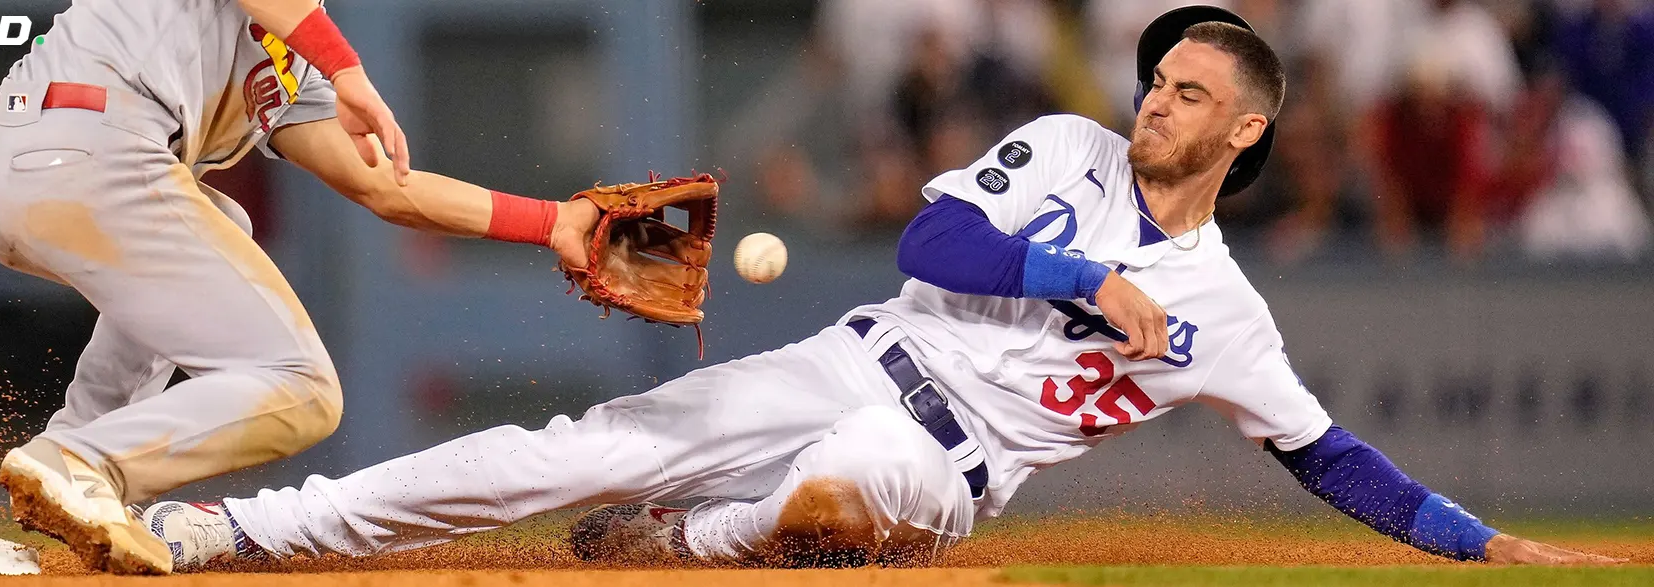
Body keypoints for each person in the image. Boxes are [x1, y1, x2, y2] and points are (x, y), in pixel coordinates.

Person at [136, 7, 1622, 571]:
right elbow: (934, 252)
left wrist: (1483, 543)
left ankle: (687, 540)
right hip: (849, 354)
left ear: (1246, 131)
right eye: (1158, 75)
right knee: (558, 448)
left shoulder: (1230, 314)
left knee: (835, 497)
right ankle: (235, 528)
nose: (1157, 100)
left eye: (1192, 92)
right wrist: (1083, 272)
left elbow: (1326, 452)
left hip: (941, 458)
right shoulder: (1066, 150)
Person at [0, 0, 600, 574]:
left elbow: (381, 186)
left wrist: (552, 223)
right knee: (303, 387)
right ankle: (80, 459)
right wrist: (348, 69)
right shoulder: (308, 36)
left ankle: (79, 455)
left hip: (12, 167)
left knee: (224, 222)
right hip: (89, 149)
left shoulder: (289, 50)